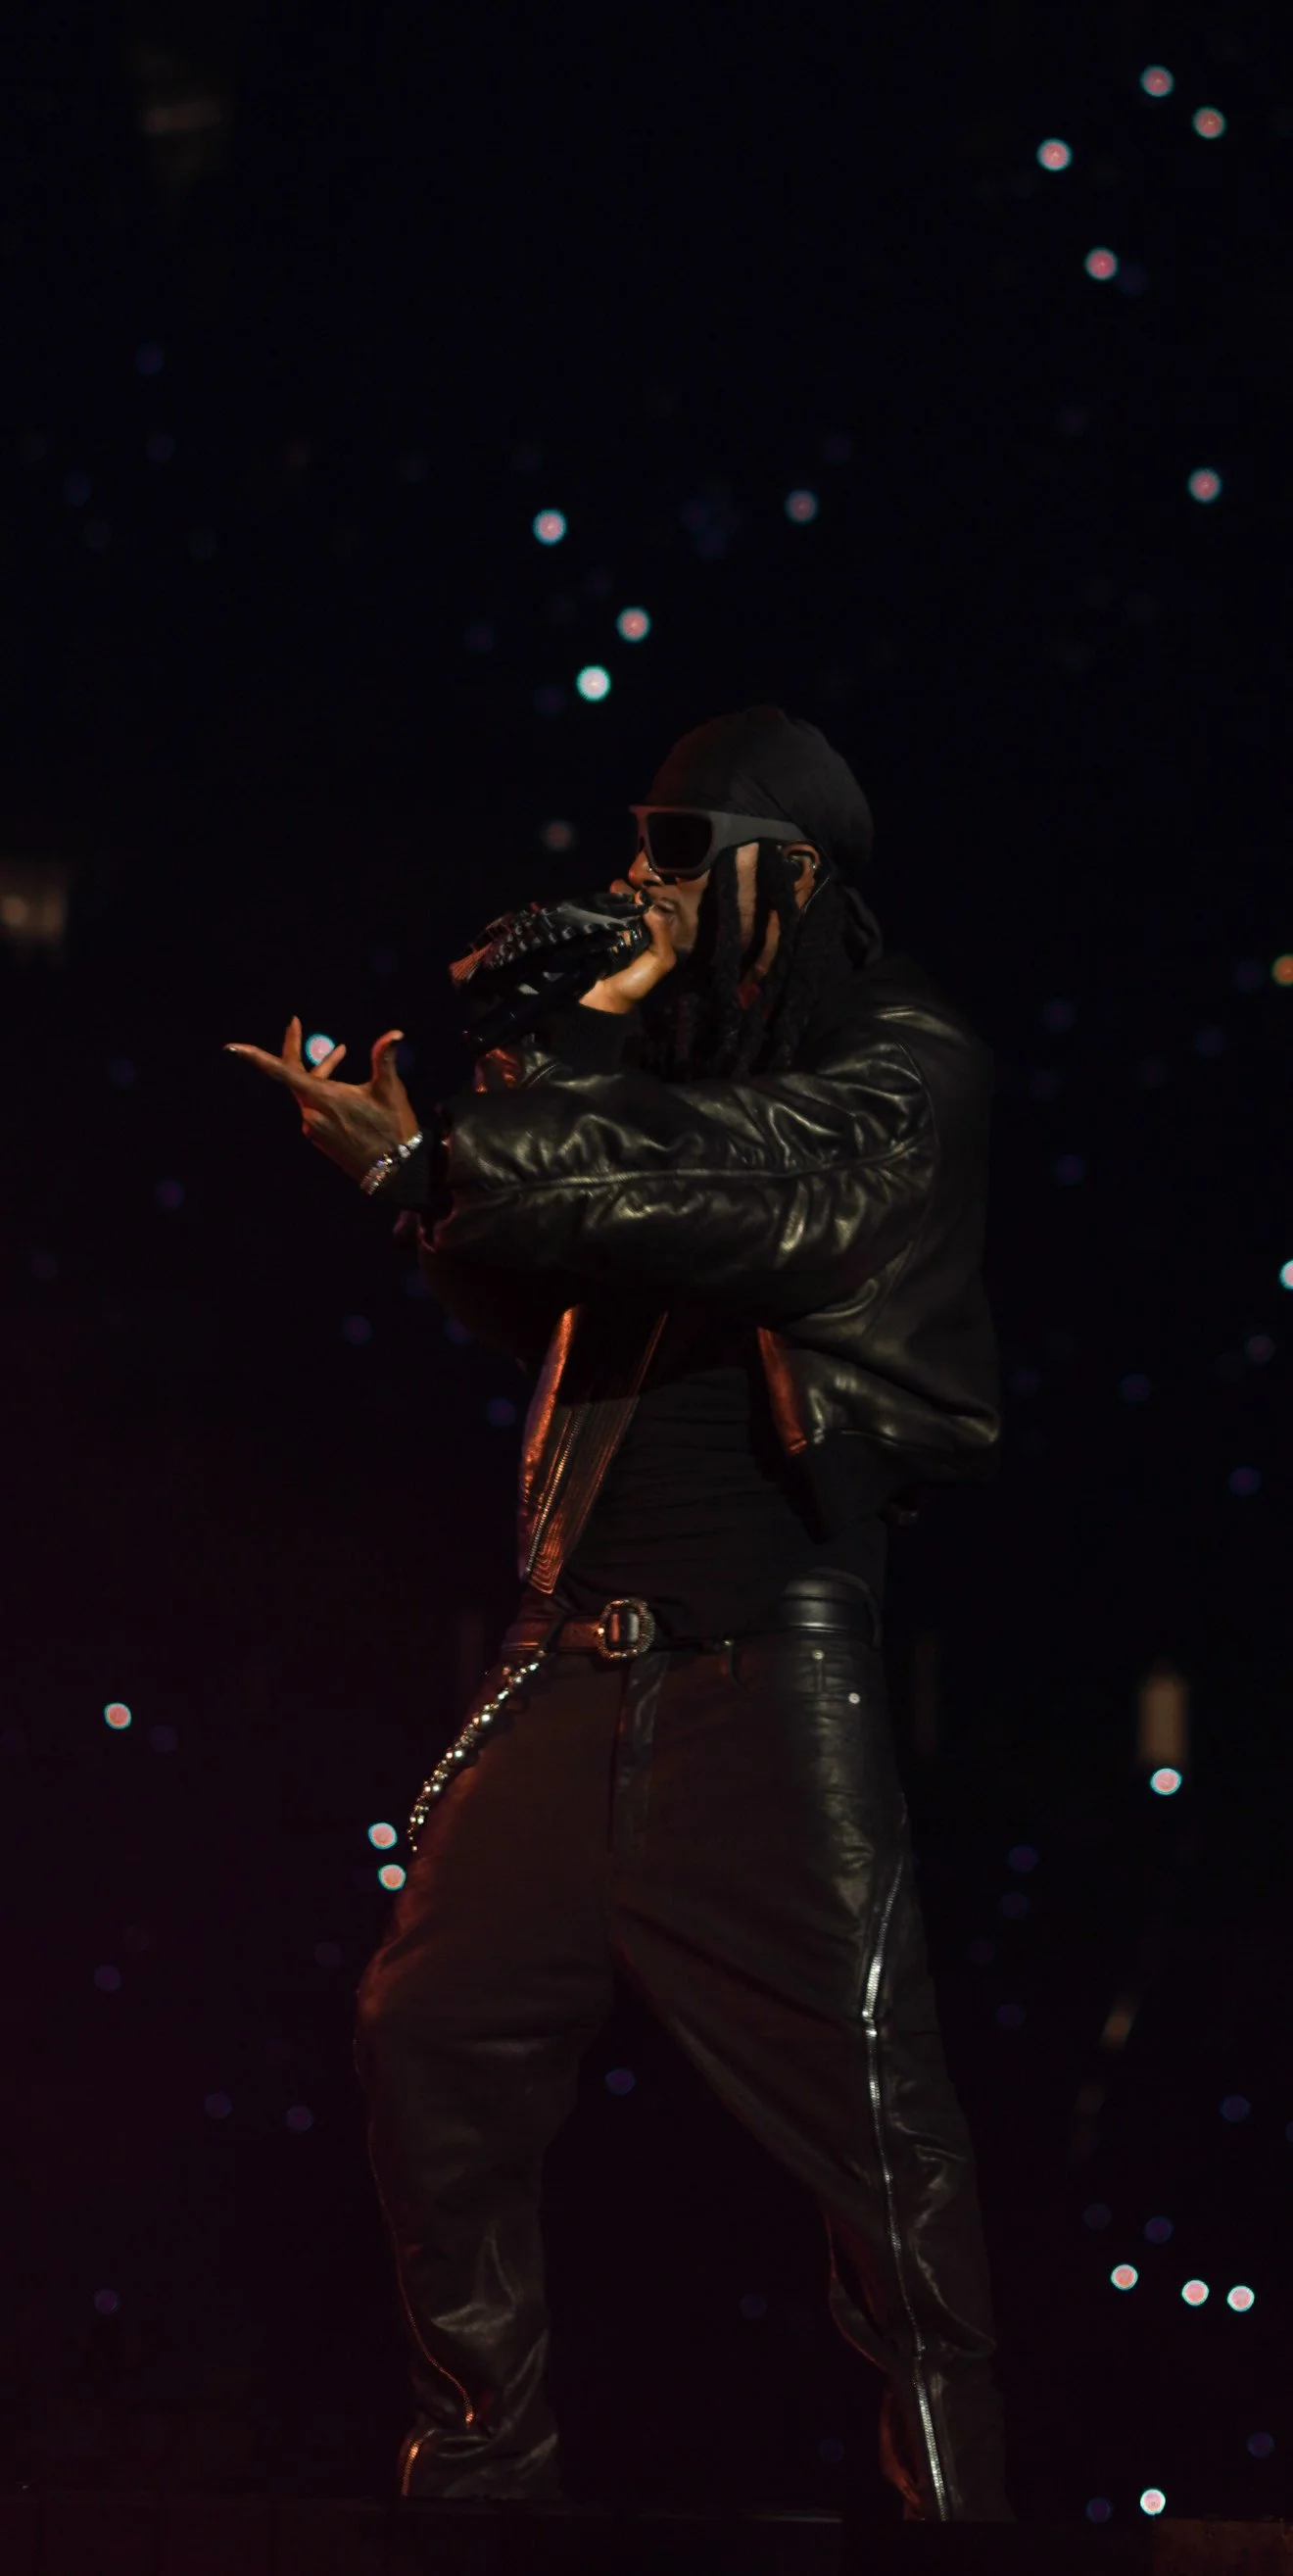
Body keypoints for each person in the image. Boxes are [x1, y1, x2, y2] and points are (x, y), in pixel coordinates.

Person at [226, 705, 1013, 2522]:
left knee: (880, 2137)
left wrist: (560, 1057)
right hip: (574, 1659)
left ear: (780, 879)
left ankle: (963, 2530)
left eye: (677, 857)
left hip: (764, 1669)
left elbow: (713, 1205)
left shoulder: (910, 1066)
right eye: (636, 852)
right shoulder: (666, 1071)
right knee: (430, 2035)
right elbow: (562, 1260)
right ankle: (482, 2479)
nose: (637, 892)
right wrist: (419, 1187)